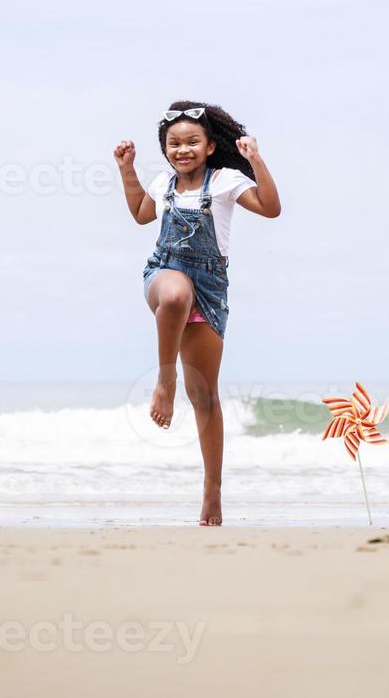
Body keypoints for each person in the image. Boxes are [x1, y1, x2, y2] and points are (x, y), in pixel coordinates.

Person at [113, 101, 281, 525]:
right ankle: (163, 381)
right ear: (165, 149)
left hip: (210, 288)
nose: (181, 149)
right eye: (174, 143)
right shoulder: (162, 183)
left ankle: (212, 495)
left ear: (209, 147)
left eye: (192, 142)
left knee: (205, 396)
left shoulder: (226, 181)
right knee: (173, 293)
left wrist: (255, 160)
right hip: (164, 273)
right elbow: (139, 214)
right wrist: (126, 168)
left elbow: (270, 207)